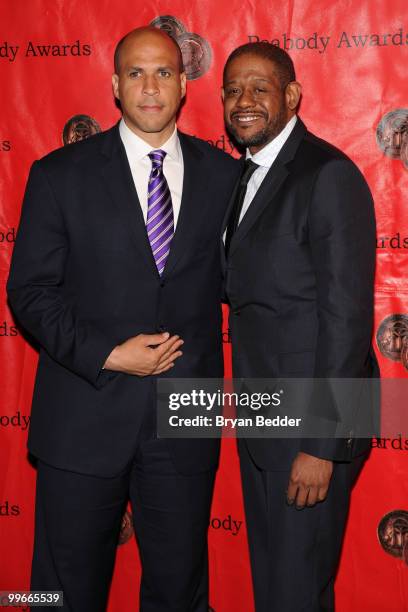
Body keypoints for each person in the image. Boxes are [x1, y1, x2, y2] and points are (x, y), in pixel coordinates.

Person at [7, 27, 239, 612]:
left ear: (185, 85)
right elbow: (29, 292)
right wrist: (109, 353)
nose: (150, 86)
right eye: (135, 73)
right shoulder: (59, 174)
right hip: (83, 415)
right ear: (114, 85)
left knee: (178, 593)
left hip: (185, 419)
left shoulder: (226, 176)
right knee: (57, 594)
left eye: (163, 72)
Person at [221, 42, 378, 611]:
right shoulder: (247, 175)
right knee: (281, 587)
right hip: (266, 413)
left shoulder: (327, 174)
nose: (245, 101)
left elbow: (347, 318)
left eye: (260, 88)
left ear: (292, 95)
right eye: (233, 89)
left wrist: (321, 445)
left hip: (311, 424)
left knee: (295, 590)